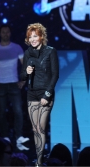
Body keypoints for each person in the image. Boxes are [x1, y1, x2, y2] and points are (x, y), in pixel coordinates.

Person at [20, 23, 59, 166]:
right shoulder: (27, 53)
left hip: (45, 93)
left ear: (41, 37)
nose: (33, 39)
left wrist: (47, 95)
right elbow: (22, 76)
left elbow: (55, 75)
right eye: (30, 37)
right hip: (31, 93)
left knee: (41, 127)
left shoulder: (50, 51)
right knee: (35, 128)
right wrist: (27, 72)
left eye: (35, 36)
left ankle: (40, 161)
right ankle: (39, 158)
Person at [0, 24, 29, 147]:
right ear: (0, 34)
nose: (6, 34)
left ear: (10, 33)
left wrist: (23, 80)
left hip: (14, 83)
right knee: (1, 112)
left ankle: (19, 136)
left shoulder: (17, 48)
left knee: (18, 111)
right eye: (3, 32)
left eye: (8, 32)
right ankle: (5, 136)